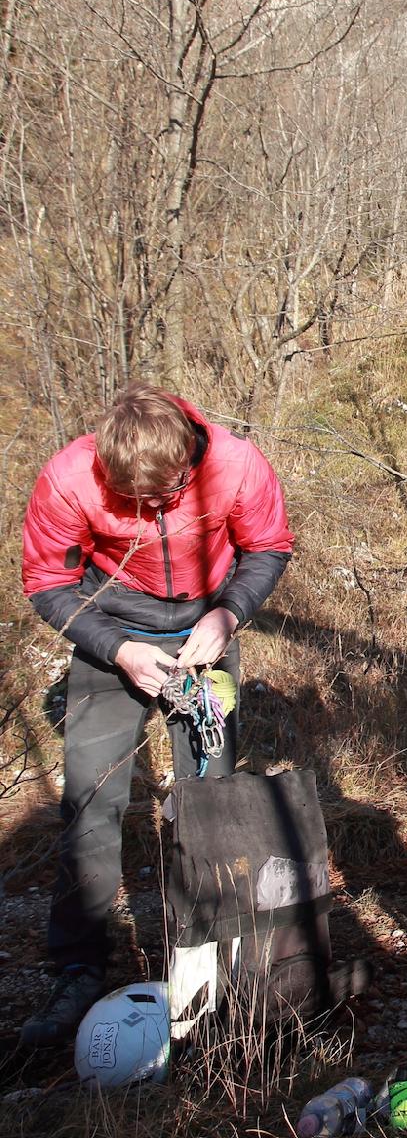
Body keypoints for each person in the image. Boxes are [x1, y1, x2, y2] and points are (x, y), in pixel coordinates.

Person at [19, 383, 294, 1047]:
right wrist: (116, 648)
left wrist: (229, 615)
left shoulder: (234, 463)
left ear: (189, 460)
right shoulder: (67, 478)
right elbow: (48, 583)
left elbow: (269, 546)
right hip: (111, 631)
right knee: (90, 801)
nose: (152, 509)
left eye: (166, 495)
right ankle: (79, 968)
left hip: (205, 633)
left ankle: (210, 967)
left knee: (210, 804)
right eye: (133, 500)